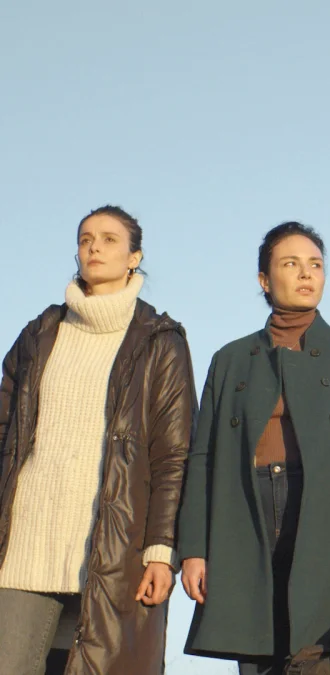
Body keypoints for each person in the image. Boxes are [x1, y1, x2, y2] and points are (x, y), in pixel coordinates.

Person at [177, 222, 330, 675]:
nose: (306, 274)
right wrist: (194, 549)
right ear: (264, 280)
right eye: (291, 264)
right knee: (258, 653)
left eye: (315, 264)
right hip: (245, 519)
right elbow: (203, 459)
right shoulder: (230, 359)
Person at [0, 206, 195, 675]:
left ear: (134, 257)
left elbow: (173, 456)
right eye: (86, 239)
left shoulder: (160, 340)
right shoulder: (40, 333)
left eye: (109, 239)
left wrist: (161, 550)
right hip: (25, 542)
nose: (94, 247)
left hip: (114, 550)